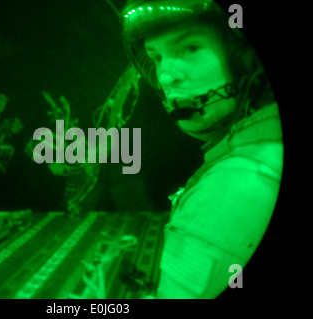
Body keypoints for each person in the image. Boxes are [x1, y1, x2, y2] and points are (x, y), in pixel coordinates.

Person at [121, 0, 283, 298]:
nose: (166, 76)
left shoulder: (231, 188)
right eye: (156, 57)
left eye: (190, 48)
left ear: (246, 59)